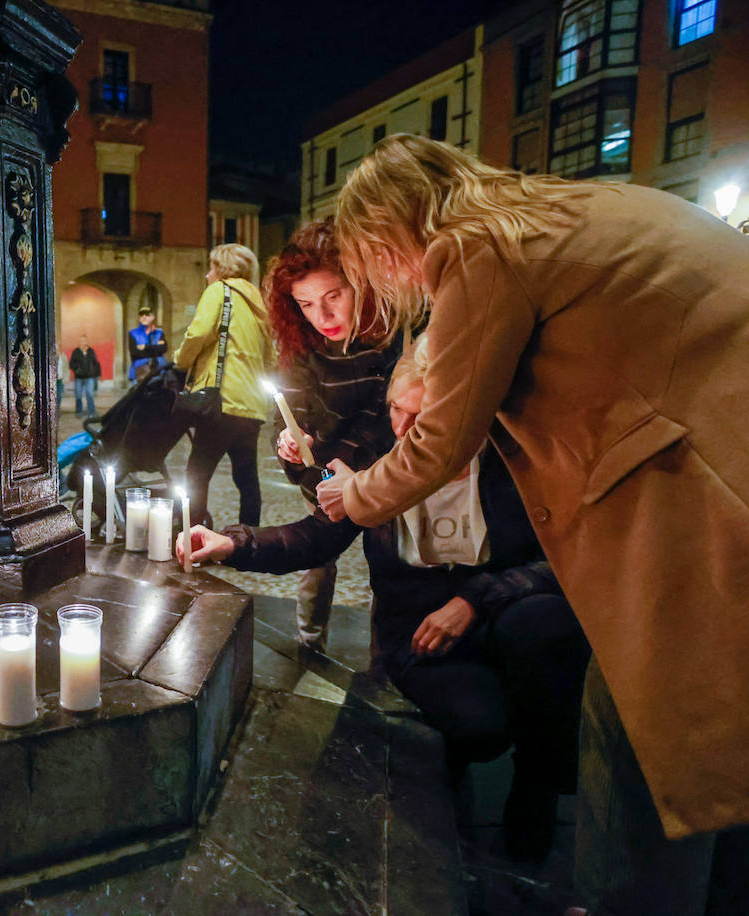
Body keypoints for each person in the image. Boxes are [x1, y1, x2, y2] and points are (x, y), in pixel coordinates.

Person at [319, 134, 749, 912]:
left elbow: (441, 437)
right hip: (726, 456)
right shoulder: (579, 207)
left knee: (636, 722)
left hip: (704, 493)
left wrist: (353, 498)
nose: (396, 277)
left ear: (393, 228)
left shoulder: (477, 244)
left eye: (378, 256)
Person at [182, 341, 589, 861]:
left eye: (421, 415)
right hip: (418, 634)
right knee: (483, 725)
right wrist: (233, 543)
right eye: (397, 408)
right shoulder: (382, 465)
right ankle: (446, 787)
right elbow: (316, 538)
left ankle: (537, 786)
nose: (402, 428)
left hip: (500, 619)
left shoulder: (510, 464)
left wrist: (473, 600)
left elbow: (559, 562)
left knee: (547, 624)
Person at [262, 218, 402, 651]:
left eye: (332, 297)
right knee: (317, 563)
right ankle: (309, 643)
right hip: (322, 477)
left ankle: (386, 662)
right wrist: (289, 440)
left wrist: (359, 481)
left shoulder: (392, 337)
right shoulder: (302, 344)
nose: (320, 317)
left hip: (384, 478)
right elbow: (286, 412)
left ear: (359, 282)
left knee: (390, 571)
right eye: (304, 304)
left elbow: (384, 419)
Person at [173, 243, 273, 527]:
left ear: (223, 269)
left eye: (212, 268)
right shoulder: (260, 305)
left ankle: (191, 536)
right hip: (251, 408)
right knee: (246, 477)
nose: (207, 275)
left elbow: (198, 333)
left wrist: (181, 360)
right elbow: (272, 357)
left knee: (197, 473)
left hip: (222, 403)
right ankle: (249, 539)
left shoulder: (220, 291)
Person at [127, 306, 167, 384]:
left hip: (159, 370)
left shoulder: (159, 333)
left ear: (153, 317)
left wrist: (145, 347)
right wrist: (156, 349)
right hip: (140, 371)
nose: (144, 317)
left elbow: (164, 349)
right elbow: (135, 352)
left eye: (147, 315)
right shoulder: (133, 333)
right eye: (141, 315)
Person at [68, 335, 101, 417]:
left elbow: (96, 363)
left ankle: (92, 411)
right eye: (81, 341)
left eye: (84, 341)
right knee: (78, 395)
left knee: (90, 394)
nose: (83, 342)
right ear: (79, 342)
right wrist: (77, 370)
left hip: (89, 377)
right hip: (79, 377)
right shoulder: (76, 351)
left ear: (86, 341)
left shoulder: (91, 351)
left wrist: (97, 374)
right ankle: (79, 411)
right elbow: (71, 363)